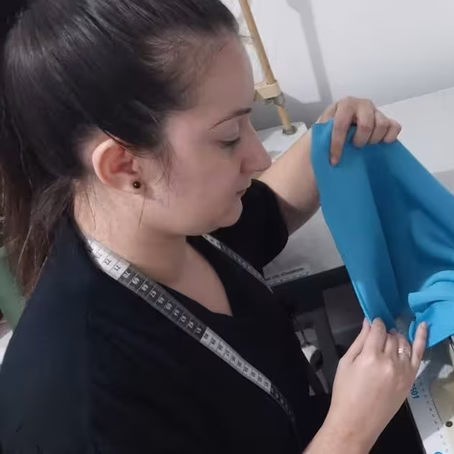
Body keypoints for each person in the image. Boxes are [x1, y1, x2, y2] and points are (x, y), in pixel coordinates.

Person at [0, 0, 428, 452]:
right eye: (228, 138)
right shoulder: (79, 410)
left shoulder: (170, 223)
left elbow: (268, 209)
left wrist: (331, 136)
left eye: (249, 122)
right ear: (123, 165)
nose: (260, 158)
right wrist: (349, 430)